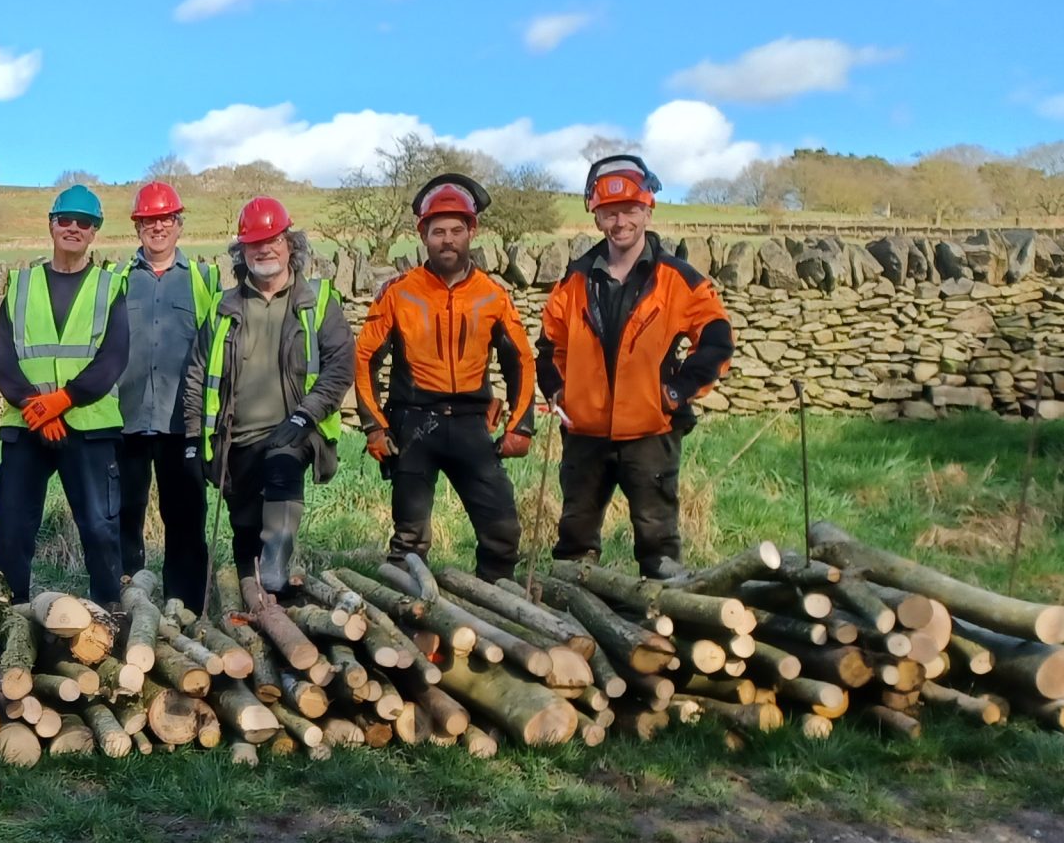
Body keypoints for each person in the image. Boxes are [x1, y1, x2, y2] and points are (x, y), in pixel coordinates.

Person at [538, 153, 733, 579]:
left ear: (647, 210)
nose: (620, 222)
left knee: (657, 537)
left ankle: (664, 617)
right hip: (584, 432)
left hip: (651, 429)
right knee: (575, 534)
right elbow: (549, 346)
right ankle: (574, 615)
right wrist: (557, 391)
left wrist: (676, 392)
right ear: (596, 217)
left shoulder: (679, 279)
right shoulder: (574, 280)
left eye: (629, 210)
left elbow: (716, 341)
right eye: (609, 213)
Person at [353, 175, 537, 582]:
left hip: (472, 423)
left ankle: (496, 605)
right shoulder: (398, 293)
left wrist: (520, 425)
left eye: (456, 230)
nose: (447, 239)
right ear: (423, 235)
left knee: (502, 530)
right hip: (414, 424)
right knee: (409, 539)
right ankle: (406, 617)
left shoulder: (493, 295)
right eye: (438, 232)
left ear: (472, 231)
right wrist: (374, 426)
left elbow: (520, 360)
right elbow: (365, 358)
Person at [183, 197, 355, 600]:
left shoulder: (317, 300)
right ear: (242, 251)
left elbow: (340, 365)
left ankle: (278, 557)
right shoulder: (223, 307)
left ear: (290, 243)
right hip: (235, 437)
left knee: (282, 473)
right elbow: (196, 374)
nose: (264, 249)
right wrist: (194, 440)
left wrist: (304, 416)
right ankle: (258, 606)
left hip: (293, 429)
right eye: (254, 242)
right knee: (243, 527)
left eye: (273, 239)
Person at [0, 184, 129, 605]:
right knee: (13, 527)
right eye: (64, 220)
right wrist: (38, 408)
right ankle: (11, 620)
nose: (73, 228)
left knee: (100, 529)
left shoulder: (109, 287)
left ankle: (108, 615)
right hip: (27, 425)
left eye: (83, 222)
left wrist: (64, 400)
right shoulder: (20, 285)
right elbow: (4, 358)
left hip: (88, 427)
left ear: (94, 233)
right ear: (51, 226)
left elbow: (113, 357)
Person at [112, 179, 220, 603]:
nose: (157, 227)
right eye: (148, 220)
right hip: (127, 421)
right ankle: (126, 604)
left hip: (183, 424)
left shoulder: (202, 280)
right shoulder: (117, 280)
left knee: (186, 520)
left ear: (179, 224)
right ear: (137, 227)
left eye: (165, 219)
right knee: (123, 518)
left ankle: (186, 609)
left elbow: (217, 349)